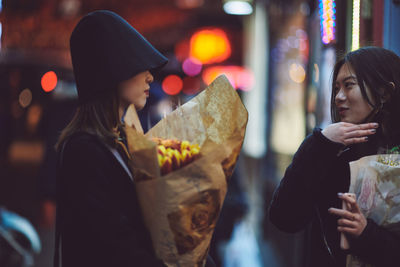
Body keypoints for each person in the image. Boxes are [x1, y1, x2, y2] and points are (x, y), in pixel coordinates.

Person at [53, 10, 215, 267]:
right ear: (111, 70)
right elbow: (111, 247)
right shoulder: (85, 151)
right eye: (138, 65)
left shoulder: (119, 141)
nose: (150, 76)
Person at [269, 47, 400, 267]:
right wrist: (318, 143)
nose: (339, 97)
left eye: (349, 85)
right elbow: (285, 218)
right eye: (336, 88)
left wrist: (366, 234)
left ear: (385, 92)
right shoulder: (332, 153)